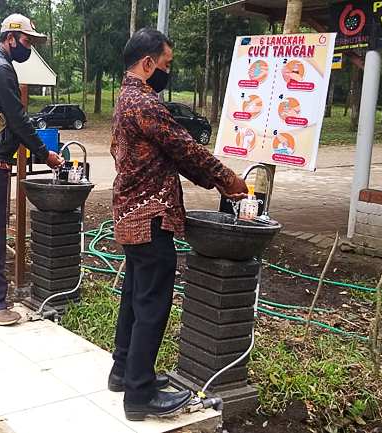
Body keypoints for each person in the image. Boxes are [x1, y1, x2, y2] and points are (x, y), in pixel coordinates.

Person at [108, 28, 248, 421]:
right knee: (152, 304)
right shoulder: (145, 102)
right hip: (150, 214)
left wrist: (215, 180)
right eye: (166, 64)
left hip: (129, 213)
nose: (168, 70)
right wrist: (226, 178)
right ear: (148, 63)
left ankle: (124, 372)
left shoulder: (124, 98)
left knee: (135, 297)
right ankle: (139, 395)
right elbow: (185, 147)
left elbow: (175, 155)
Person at [0, 14, 65, 326]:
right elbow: (18, 119)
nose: (29, 48)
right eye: (26, 41)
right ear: (10, 38)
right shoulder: (0, 69)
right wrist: (43, 154)